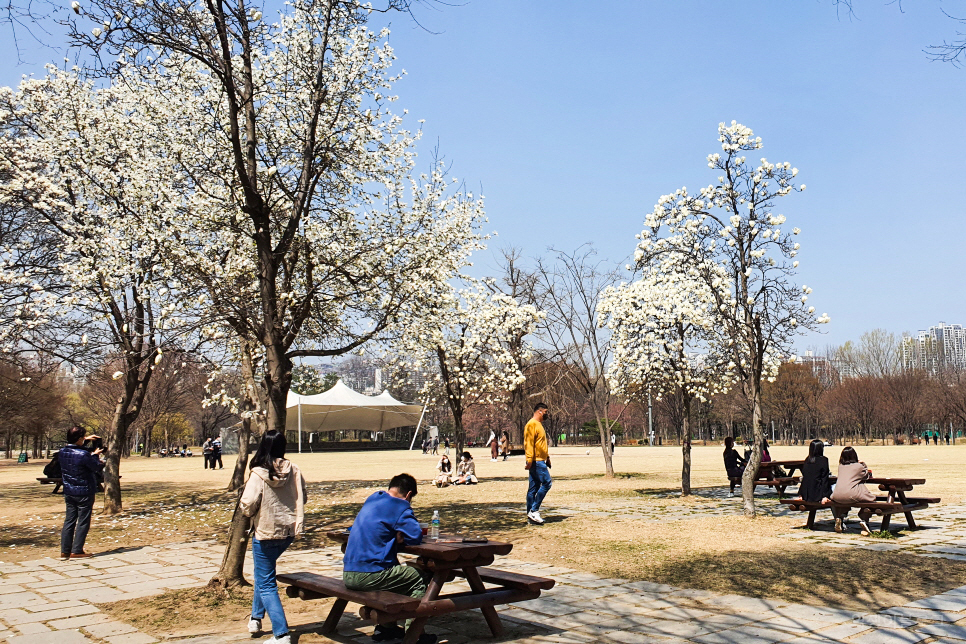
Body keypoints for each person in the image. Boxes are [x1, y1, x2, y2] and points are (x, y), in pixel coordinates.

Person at [343, 474, 435, 644]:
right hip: (369, 575)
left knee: (396, 569)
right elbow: (415, 536)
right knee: (419, 577)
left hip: (349, 572)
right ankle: (414, 633)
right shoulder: (400, 506)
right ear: (408, 495)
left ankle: (386, 628)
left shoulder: (373, 499)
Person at [240, 430, 306, 644]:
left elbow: (248, 502)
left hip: (265, 532)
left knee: (266, 582)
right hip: (287, 531)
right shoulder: (294, 470)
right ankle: (256, 617)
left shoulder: (258, 473)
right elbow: (303, 495)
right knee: (263, 574)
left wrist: (248, 513)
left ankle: (281, 633)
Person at [59, 426, 105, 560]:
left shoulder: (62, 452)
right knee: (83, 521)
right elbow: (96, 467)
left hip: (69, 490)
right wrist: (96, 455)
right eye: (83, 437)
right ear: (79, 439)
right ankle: (77, 550)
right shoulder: (84, 455)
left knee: (69, 520)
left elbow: (75, 450)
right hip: (84, 491)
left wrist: (85, 440)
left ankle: (65, 550)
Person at [829, 446, 875, 535]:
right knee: (870, 500)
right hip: (851, 495)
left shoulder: (841, 466)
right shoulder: (858, 466)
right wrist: (864, 464)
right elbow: (866, 476)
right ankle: (864, 519)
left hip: (836, 496)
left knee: (845, 500)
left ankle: (840, 517)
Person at [524, 403, 552, 525]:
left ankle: (531, 516)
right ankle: (534, 510)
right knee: (547, 483)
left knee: (533, 488)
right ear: (539, 411)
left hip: (541, 459)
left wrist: (547, 457)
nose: (547, 414)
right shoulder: (531, 425)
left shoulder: (539, 425)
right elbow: (529, 444)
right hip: (536, 461)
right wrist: (529, 460)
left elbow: (540, 445)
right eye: (546, 412)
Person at [795, 439, 832, 505]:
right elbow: (824, 479)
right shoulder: (824, 460)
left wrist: (801, 493)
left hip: (806, 493)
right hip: (817, 494)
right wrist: (825, 495)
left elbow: (805, 477)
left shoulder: (807, 460)